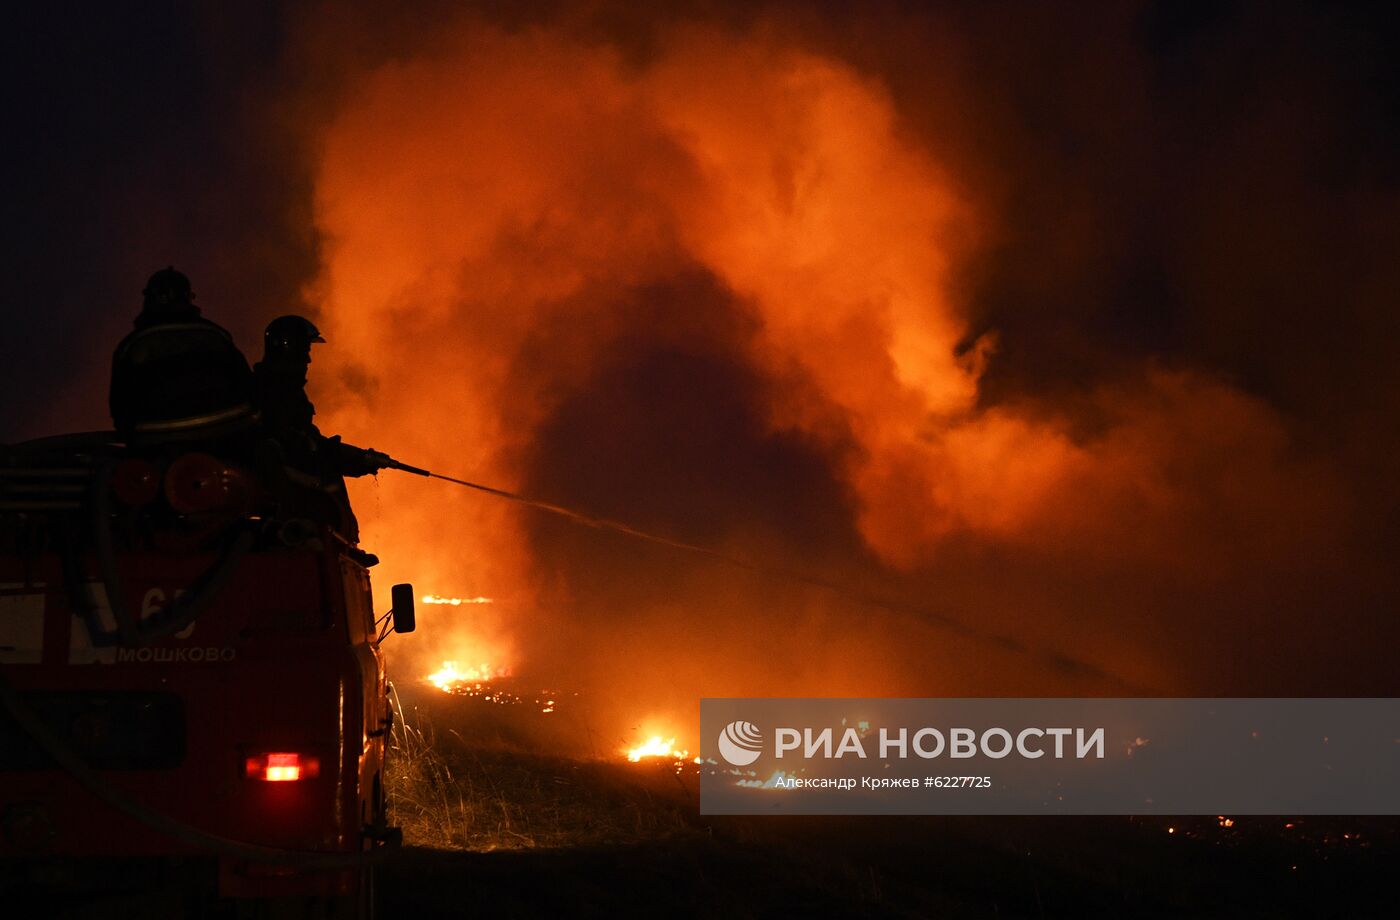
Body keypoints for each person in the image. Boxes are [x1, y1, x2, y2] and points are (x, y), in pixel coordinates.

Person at [251, 314, 391, 544]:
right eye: (305, 350)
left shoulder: (284, 390)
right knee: (327, 484)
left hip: (292, 491)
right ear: (288, 349)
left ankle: (340, 540)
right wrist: (354, 458)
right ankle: (337, 540)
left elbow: (311, 441)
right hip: (290, 496)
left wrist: (360, 458)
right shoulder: (274, 392)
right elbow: (303, 448)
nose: (308, 360)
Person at [109, 268, 255, 440]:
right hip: (228, 438)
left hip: (159, 446)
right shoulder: (216, 335)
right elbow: (247, 387)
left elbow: (120, 407)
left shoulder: (132, 346)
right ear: (187, 298)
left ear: (149, 299)